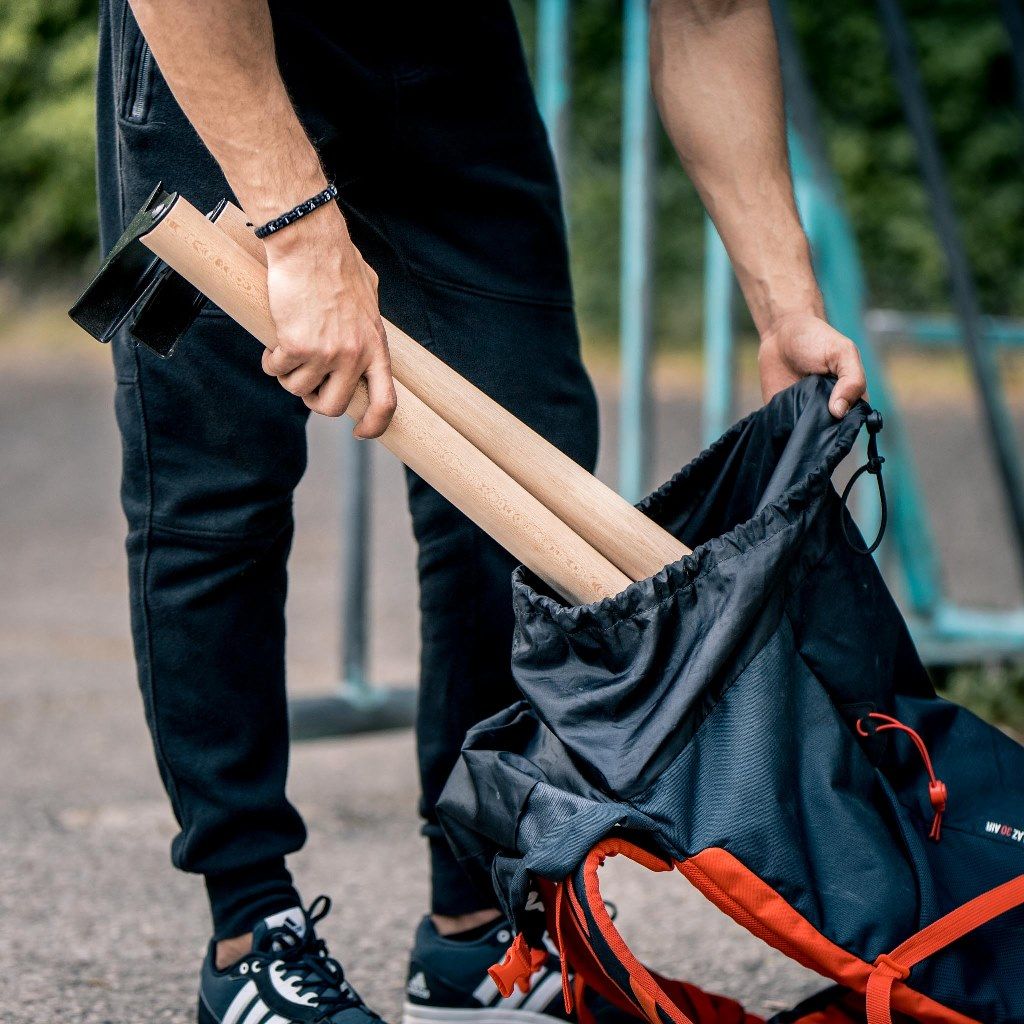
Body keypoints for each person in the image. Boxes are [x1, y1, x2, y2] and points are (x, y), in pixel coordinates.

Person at [96, 1, 867, 1022]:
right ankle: (250, 932)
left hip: (444, 54)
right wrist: (296, 225)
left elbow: (711, 8)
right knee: (214, 488)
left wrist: (785, 305)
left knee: (528, 464)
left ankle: (476, 932)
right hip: (216, 45)